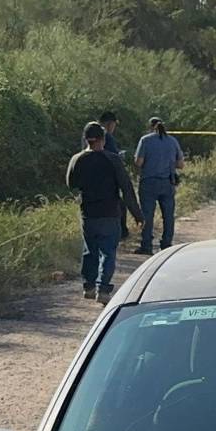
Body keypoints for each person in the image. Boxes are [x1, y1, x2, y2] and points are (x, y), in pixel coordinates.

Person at [66, 122, 143, 301]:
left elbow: (71, 184)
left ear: (86, 139)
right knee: (108, 252)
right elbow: (127, 188)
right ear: (103, 139)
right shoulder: (113, 159)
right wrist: (137, 214)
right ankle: (104, 290)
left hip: (88, 212)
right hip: (110, 212)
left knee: (90, 249)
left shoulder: (77, 159)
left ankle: (89, 286)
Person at [134, 115, 184, 254]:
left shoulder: (145, 140)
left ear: (150, 127)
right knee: (168, 215)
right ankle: (167, 245)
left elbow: (139, 162)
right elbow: (181, 164)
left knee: (147, 215)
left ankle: (146, 246)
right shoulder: (172, 141)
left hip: (148, 182)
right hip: (168, 182)